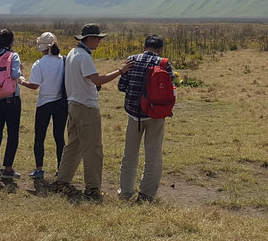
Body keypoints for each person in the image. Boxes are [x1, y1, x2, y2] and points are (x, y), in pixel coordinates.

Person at [53, 23, 133, 200]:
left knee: (73, 146)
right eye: (97, 38)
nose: (99, 41)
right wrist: (120, 71)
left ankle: (62, 181)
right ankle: (92, 188)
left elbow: (88, 81)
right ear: (89, 39)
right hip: (86, 107)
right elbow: (98, 80)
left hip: (74, 104)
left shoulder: (74, 54)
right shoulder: (84, 57)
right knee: (93, 149)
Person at [117, 35, 175, 202]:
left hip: (134, 115)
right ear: (160, 49)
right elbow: (170, 90)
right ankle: (147, 194)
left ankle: (125, 193)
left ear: (144, 46)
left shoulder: (131, 60)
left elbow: (121, 86)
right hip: (156, 115)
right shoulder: (163, 63)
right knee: (153, 155)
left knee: (129, 155)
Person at [21, 31, 67, 179]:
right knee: (59, 137)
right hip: (60, 103)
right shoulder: (63, 61)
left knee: (39, 137)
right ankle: (61, 169)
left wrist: (21, 81)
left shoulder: (39, 64)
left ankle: (39, 169)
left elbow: (34, 85)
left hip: (44, 103)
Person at [0, 29, 23, 178]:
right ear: (11, 41)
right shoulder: (13, 56)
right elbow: (14, 74)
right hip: (11, 99)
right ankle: (8, 168)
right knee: (12, 133)